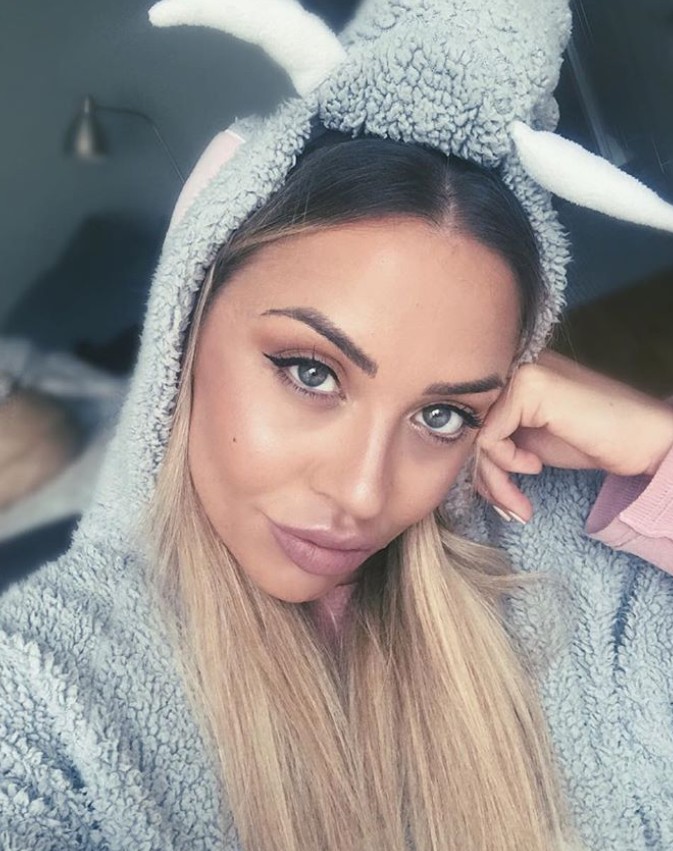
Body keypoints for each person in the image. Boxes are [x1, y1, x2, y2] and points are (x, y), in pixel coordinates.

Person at [2, 1, 673, 850]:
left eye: (441, 413)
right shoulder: (45, 692)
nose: (361, 492)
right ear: (186, 323)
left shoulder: (572, 572)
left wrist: (658, 446)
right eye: (311, 371)